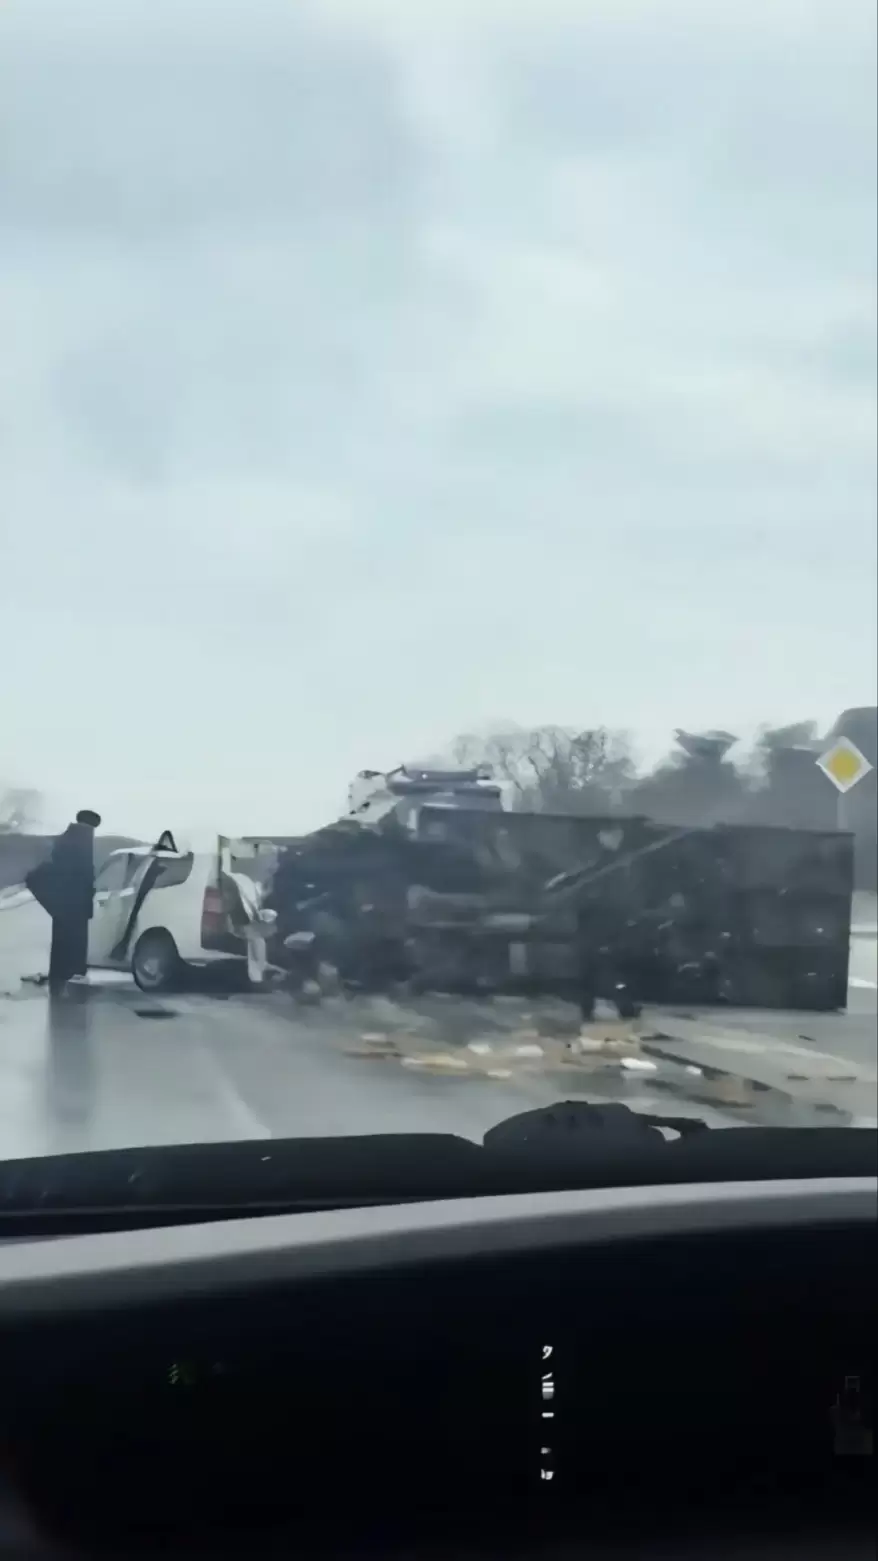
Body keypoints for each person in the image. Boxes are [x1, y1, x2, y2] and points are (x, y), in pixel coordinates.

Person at [27, 809, 101, 994]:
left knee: (63, 938)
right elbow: (82, 872)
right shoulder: (80, 839)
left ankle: (62, 973)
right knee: (73, 938)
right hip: (74, 900)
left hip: (68, 899)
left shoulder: (69, 838)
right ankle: (71, 972)